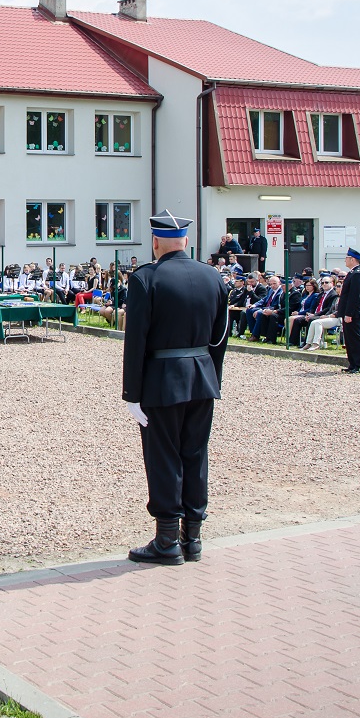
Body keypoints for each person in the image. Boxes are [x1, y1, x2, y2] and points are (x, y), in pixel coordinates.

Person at [121, 210, 231, 566]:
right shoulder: (212, 276)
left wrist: (131, 394)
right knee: (195, 456)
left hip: (162, 380)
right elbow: (220, 338)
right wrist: (213, 376)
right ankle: (193, 539)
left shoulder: (145, 279)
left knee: (164, 457)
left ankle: (167, 541)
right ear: (186, 241)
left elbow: (135, 341)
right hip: (202, 376)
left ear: (155, 243)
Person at [337, 248, 360, 373]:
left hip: (353, 312)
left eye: (347, 258)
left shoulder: (358, 274)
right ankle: (353, 363)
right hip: (348, 311)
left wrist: (349, 313)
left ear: (352, 259)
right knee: (349, 338)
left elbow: (354, 296)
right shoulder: (352, 273)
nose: (345, 260)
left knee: (354, 338)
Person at [303, 276, 342, 350]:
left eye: (339, 286)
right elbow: (331, 309)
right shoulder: (337, 297)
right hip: (330, 317)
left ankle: (316, 344)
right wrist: (326, 315)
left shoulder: (344, 298)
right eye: (337, 286)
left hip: (338, 319)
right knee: (314, 322)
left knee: (317, 322)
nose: (337, 288)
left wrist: (328, 316)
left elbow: (340, 311)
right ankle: (308, 343)